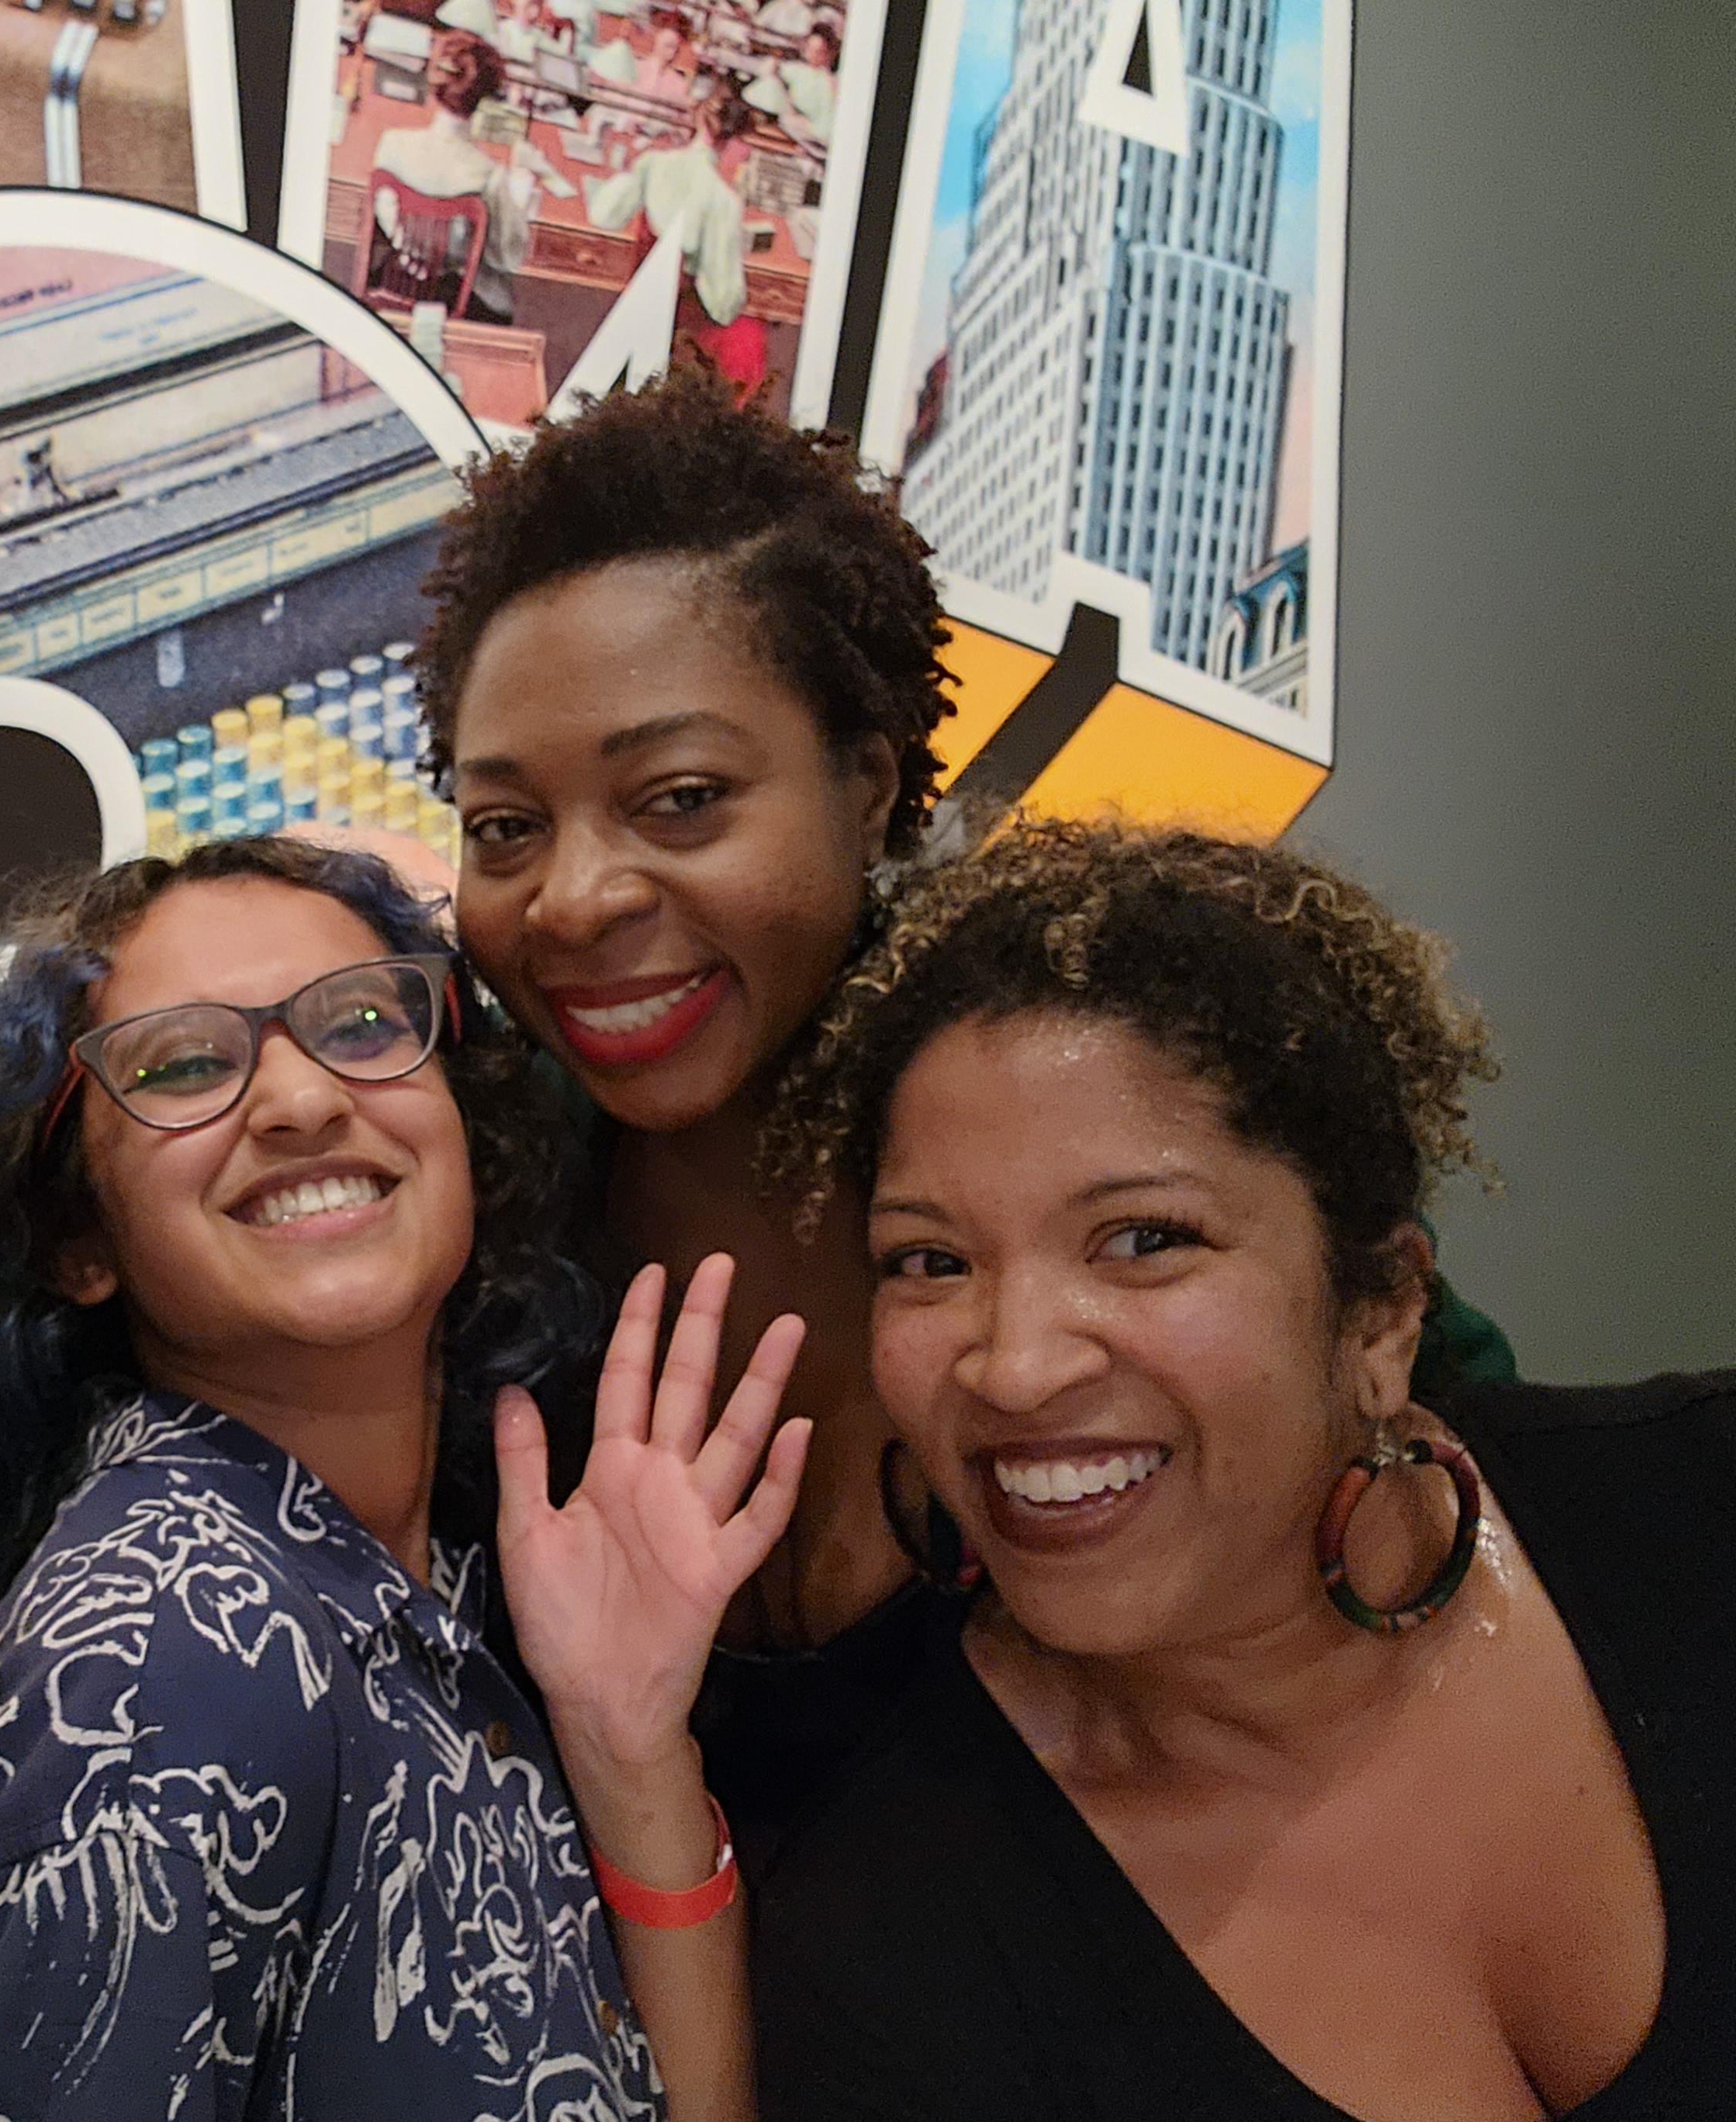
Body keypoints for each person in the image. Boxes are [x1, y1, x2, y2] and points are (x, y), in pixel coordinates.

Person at [411, 371, 1516, 1896]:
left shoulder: (1080, 1108)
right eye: (504, 828)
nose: (575, 898)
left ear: (867, 787)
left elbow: (1440, 1427)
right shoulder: (470, 1227)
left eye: (678, 798)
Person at [0, 835, 808, 2119]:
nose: (295, 1100)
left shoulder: (408, 1575)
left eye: (357, 1023)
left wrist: (627, 1745)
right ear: (77, 1241)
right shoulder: (171, 1666)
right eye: (183, 1064)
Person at [749, 817, 1724, 2117]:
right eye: (930, 1259)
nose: (1013, 1366)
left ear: (1378, 1309)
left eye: (1142, 1237)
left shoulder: (1696, 1509)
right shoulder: (888, 1939)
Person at [584, 85, 767, 391]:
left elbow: (603, 214)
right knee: (750, 337)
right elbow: (723, 303)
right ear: (735, 143)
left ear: (698, 122)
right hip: (681, 324)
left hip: (640, 300)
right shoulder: (723, 201)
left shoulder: (653, 163)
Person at [371, 28, 548, 327]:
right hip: (452, 299)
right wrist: (519, 200)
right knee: (503, 298)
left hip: (395, 280)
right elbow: (508, 258)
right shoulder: (489, 175)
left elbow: (385, 217)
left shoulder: (392, 143)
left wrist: (414, 245)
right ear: (486, 98)